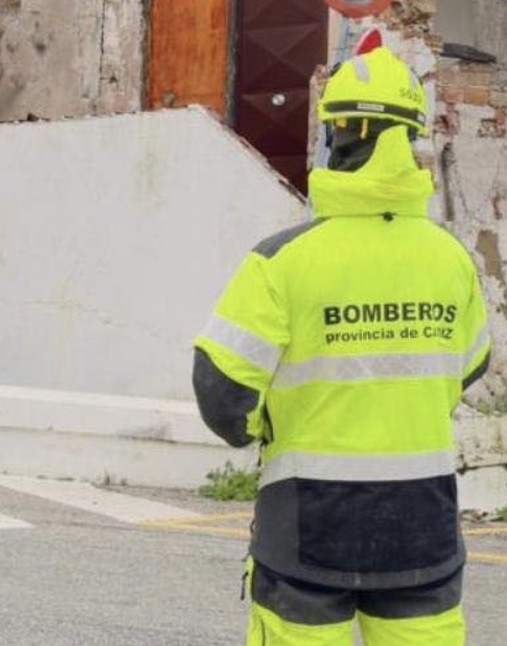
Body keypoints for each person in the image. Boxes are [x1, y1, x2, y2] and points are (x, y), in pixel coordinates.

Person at [193, 43, 491, 646]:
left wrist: (266, 427)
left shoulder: (281, 261)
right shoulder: (451, 259)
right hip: (422, 529)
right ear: (407, 141)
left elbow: (222, 394)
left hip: (307, 530)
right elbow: (470, 368)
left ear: (337, 138)